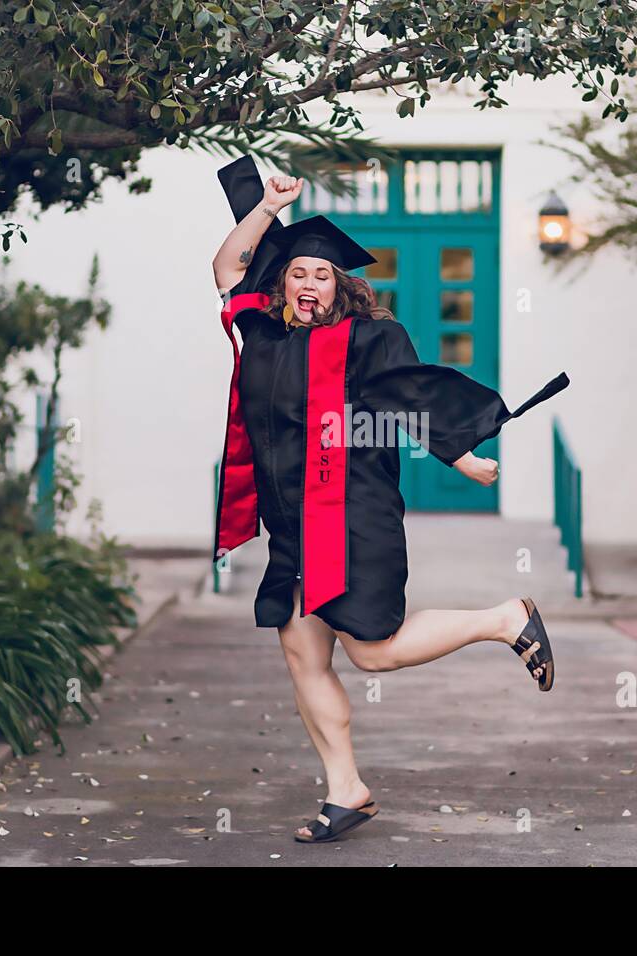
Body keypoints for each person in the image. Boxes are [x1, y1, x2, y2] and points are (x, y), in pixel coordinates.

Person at [210, 156, 571, 843]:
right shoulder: (261, 331)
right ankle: (346, 790)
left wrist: (462, 453)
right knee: (301, 653)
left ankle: (505, 618)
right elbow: (227, 269)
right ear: (281, 282)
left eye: (323, 274)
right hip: (291, 527)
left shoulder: (367, 338)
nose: (310, 282)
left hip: (351, 519)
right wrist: (265, 207)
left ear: (339, 286)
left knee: (372, 652)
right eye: (298, 272)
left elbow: (411, 393)